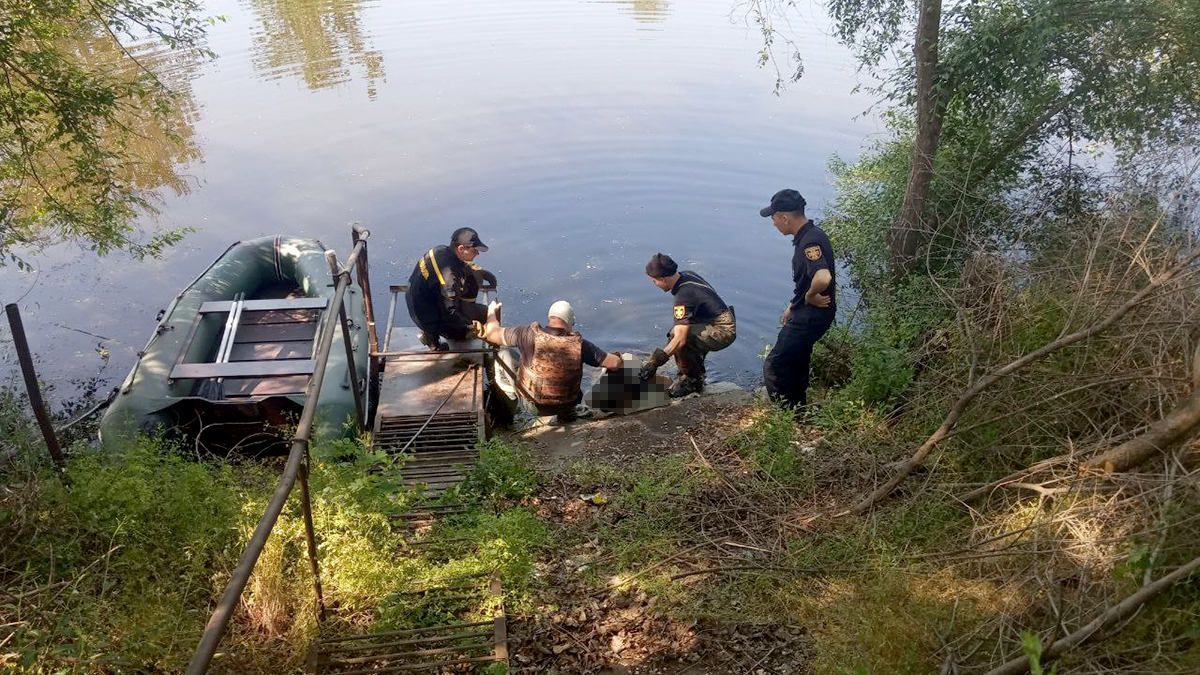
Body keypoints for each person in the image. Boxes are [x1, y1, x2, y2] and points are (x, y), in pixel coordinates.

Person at [481, 299, 623, 423]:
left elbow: (491, 334)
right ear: (570, 322)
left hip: (533, 407)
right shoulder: (581, 345)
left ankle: (508, 408)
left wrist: (491, 312)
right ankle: (569, 416)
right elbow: (615, 364)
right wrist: (618, 357)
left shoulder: (527, 334)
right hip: (567, 406)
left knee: (503, 352)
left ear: (549, 318)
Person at [760, 189, 835, 413]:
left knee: (775, 366)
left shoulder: (810, 242)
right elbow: (807, 281)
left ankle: (786, 417)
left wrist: (810, 297)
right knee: (798, 360)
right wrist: (794, 305)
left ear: (785, 217)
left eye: (774, 218)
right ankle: (798, 411)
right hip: (809, 313)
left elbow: (823, 277)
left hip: (811, 316)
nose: (773, 223)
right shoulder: (810, 235)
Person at [638, 253, 736, 397]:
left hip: (723, 330)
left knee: (679, 338)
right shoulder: (686, 276)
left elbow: (680, 339)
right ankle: (693, 369)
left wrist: (654, 362)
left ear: (663, 279)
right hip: (713, 320)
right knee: (680, 332)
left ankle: (692, 381)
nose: (655, 285)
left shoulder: (683, 295)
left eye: (654, 281)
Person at [406, 227, 497, 350]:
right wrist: (469, 327)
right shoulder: (449, 279)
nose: (477, 253)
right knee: (477, 322)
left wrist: (476, 271)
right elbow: (450, 312)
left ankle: (430, 330)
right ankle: (431, 336)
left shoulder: (440, 250)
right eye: (474, 250)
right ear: (461, 248)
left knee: (466, 280)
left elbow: (455, 267)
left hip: (416, 301)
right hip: (426, 317)